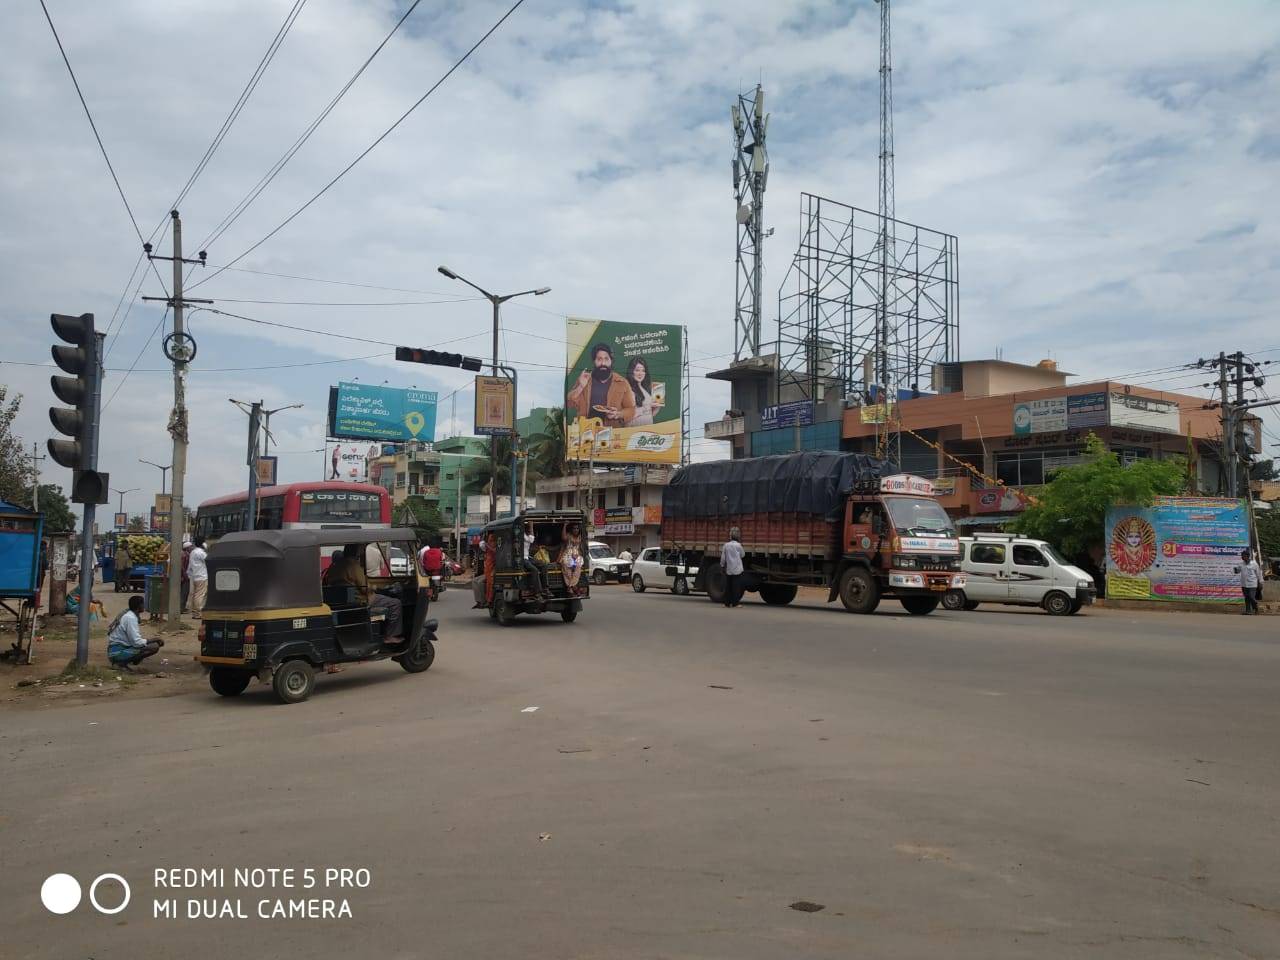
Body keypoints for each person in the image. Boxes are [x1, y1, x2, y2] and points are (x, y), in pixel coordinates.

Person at [327, 544, 403, 639]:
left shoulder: (333, 567)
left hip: (340, 602)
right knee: (395, 603)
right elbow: (365, 588)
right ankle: (390, 636)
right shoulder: (353, 565)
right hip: (360, 601)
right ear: (356, 552)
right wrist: (375, 588)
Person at [566, 343, 636, 427]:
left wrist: (618, 414)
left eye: (606, 359)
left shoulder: (622, 382)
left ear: (611, 361)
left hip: (612, 432)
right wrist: (580, 387)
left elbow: (631, 410)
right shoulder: (585, 379)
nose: (603, 363)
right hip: (586, 431)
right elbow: (568, 403)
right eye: (599, 359)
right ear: (594, 361)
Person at [107, 595, 164, 671]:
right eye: (143, 604)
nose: (144, 606)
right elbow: (136, 642)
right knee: (154, 646)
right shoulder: (130, 618)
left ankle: (127, 661)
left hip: (116, 649)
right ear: (139, 605)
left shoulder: (129, 615)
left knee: (149, 645)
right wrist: (154, 639)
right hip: (117, 652)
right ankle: (120, 663)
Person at [623, 357, 661, 426]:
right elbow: (625, 417)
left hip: (647, 429)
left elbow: (650, 415)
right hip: (633, 430)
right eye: (637, 370)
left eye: (643, 370)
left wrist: (658, 406)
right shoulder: (626, 389)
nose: (640, 373)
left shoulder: (646, 389)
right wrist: (647, 408)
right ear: (631, 371)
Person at [720, 528, 745, 608]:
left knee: (728, 586)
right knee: (736, 587)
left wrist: (722, 565)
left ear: (730, 536)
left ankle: (727, 603)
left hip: (729, 569)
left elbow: (723, 558)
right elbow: (743, 555)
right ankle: (735, 603)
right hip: (737, 569)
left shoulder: (726, 545)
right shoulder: (739, 545)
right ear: (738, 536)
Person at [522, 524, 549, 597]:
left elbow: (532, 538)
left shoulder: (527, 535)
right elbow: (531, 540)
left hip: (528, 557)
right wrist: (531, 526)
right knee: (534, 570)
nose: (530, 531)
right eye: (528, 529)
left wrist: (531, 526)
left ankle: (545, 588)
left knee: (544, 565)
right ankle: (538, 591)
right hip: (522, 558)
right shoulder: (522, 535)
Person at [187, 536, 209, 618]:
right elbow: (208, 560)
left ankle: (195, 612)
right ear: (203, 543)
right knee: (200, 595)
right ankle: (198, 612)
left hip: (195, 576)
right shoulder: (201, 553)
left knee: (196, 594)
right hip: (202, 576)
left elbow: (190, 567)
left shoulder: (193, 552)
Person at [560, 523, 584, 594]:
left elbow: (580, 548)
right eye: (574, 528)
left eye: (577, 528)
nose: (576, 530)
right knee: (567, 568)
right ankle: (573, 586)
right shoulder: (568, 535)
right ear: (571, 530)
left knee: (577, 568)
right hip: (568, 554)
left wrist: (577, 555)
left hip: (576, 554)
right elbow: (563, 538)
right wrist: (565, 525)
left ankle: (570, 586)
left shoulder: (580, 537)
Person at [1239, 548, 1262, 615]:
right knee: (1246, 597)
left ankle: (1256, 607)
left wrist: (1260, 582)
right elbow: (1237, 571)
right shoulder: (1241, 564)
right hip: (1244, 584)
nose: (1242, 557)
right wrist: (1236, 570)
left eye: (1243, 556)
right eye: (1241, 556)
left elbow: (1258, 573)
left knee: (1251, 597)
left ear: (1247, 556)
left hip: (1252, 584)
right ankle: (1248, 611)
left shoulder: (1254, 564)